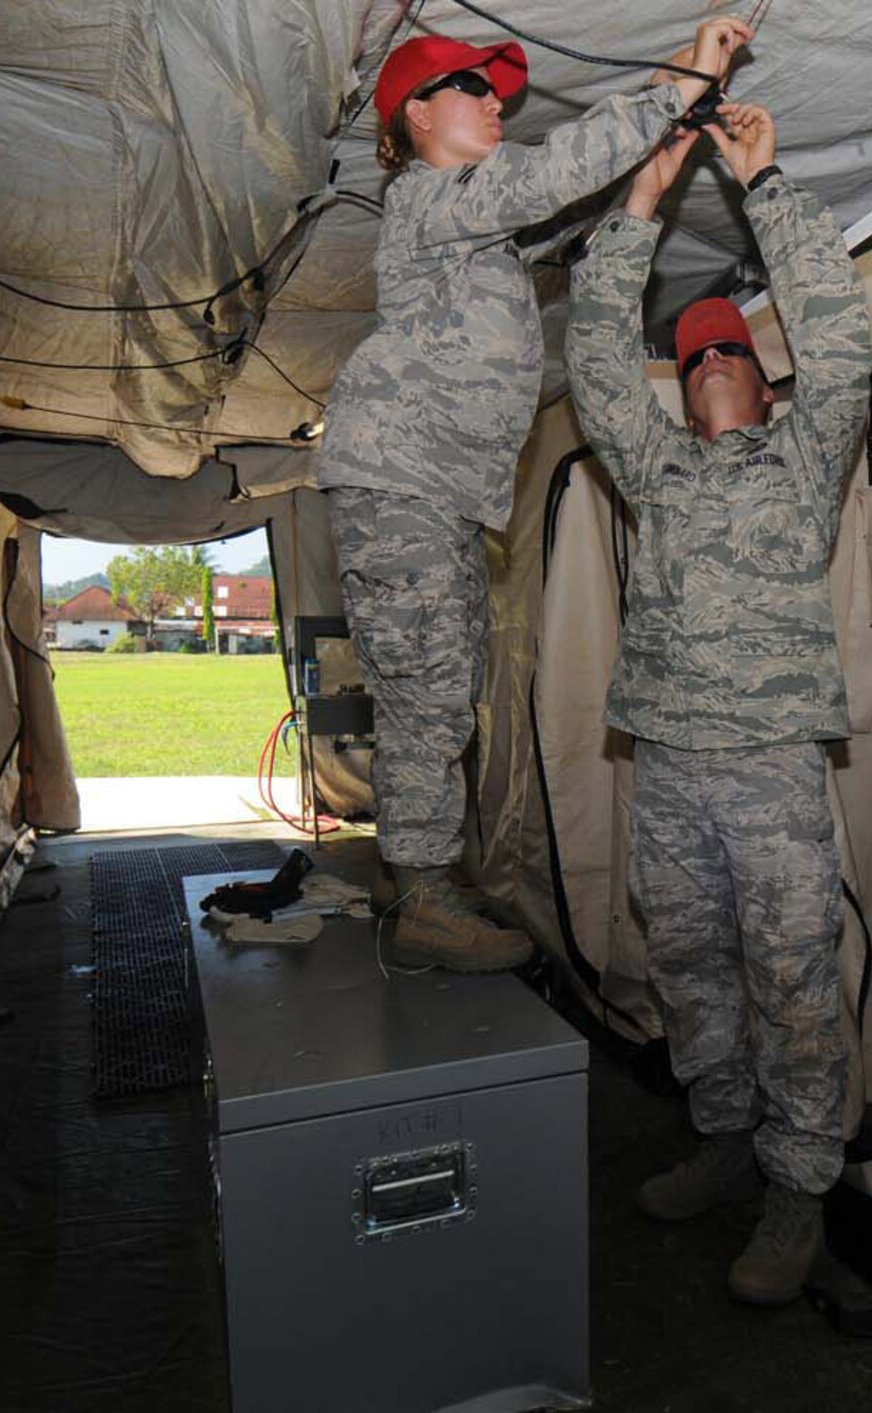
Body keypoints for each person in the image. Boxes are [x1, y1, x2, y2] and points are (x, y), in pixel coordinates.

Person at [316, 16, 754, 973]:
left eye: (493, 92)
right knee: (429, 684)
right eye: (470, 89)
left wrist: (644, 183)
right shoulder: (426, 200)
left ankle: (419, 876)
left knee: (445, 678)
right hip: (403, 475)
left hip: (438, 487)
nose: (492, 103)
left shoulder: (472, 235)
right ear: (415, 116)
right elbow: (548, 177)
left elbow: (555, 213)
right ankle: (424, 895)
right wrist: (673, 82)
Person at [564, 103, 872, 1303]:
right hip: (673, 766)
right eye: (690, 357)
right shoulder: (652, 472)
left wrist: (766, 186)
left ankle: (798, 1190)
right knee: (689, 960)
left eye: (729, 349)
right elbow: (594, 359)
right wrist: (639, 203)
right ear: (678, 391)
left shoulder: (807, 456)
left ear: (761, 371)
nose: (709, 364)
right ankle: (725, 1133)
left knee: (793, 974)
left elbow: (839, 341)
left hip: (774, 768)